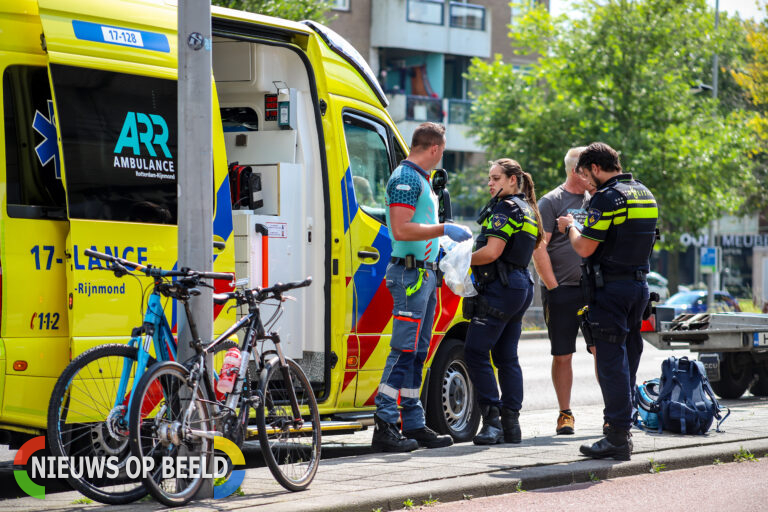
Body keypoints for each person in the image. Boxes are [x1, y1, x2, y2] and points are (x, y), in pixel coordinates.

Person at [372, 122, 473, 453]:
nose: (442, 155)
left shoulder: (421, 181)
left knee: (417, 353)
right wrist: (443, 227)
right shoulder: (405, 179)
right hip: (410, 276)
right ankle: (385, 423)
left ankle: (413, 422)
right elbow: (401, 230)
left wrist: (441, 241)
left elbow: (415, 226)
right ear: (434, 149)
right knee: (403, 350)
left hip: (424, 275)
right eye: (442, 150)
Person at [558, 142, 658, 461]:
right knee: (628, 357)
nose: (586, 182)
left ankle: (616, 436)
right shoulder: (644, 192)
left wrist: (572, 227)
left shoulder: (607, 197)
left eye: (587, 175)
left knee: (611, 362)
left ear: (597, 168)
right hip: (638, 287)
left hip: (611, 290)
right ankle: (621, 428)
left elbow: (586, 248)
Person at [464, 158, 542, 445]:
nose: (490, 183)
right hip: (519, 285)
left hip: (502, 287)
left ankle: (493, 421)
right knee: (507, 357)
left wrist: (459, 260)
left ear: (513, 180)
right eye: (489, 179)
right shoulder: (526, 208)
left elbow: (492, 252)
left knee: (474, 350)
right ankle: (511, 425)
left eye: (496, 178)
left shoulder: (505, 208)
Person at [532, 146, 593, 436]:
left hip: (593, 290)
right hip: (562, 290)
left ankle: (614, 412)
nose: (594, 173)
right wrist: (552, 287)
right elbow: (538, 246)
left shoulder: (597, 199)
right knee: (563, 354)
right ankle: (565, 413)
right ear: (575, 172)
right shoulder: (551, 201)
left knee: (601, 350)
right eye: (589, 169)